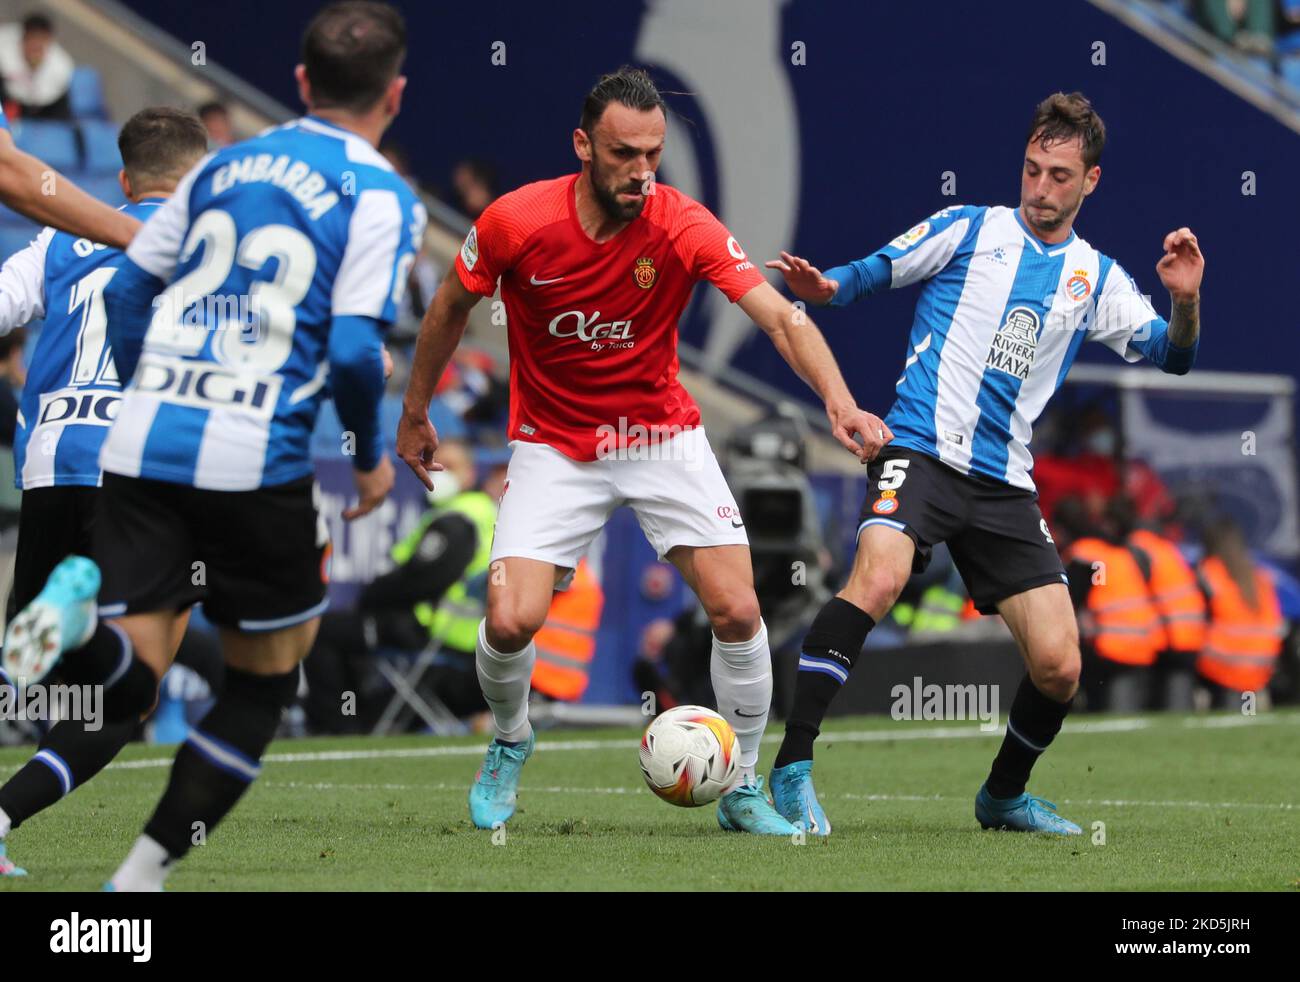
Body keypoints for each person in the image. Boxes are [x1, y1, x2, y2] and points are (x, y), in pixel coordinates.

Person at [397, 65, 886, 836]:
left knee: (738, 606)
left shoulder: (683, 224)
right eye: (625, 153)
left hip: (660, 437)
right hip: (555, 445)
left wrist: (839, 398)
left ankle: (743, 785)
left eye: (653, 154)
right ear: (583, 145)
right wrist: (416, 409)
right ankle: (509, 739)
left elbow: (782, 319)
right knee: (509, 620)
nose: (642, 172)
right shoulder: (515, 223)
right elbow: (450, 305)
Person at [2, 0, 424, 891]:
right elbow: (349, 346)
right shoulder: (377, 192)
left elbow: (121, 297)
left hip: (116, 452)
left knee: (127, 681)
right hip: (241, 452)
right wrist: (367, 453)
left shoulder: (218, 177)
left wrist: (129, 387)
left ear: (303, 83)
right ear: (396, 94)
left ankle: (74, 629)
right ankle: (137, 881)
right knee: (264, 681)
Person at [765, 91, 1204, 835]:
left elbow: (1174, 356)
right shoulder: (970, 227)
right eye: (1033, 169)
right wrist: (829, 287)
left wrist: (1185, 301)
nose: (1040, 187)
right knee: (877, 577)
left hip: (1005, 483)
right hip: (919, 450)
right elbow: (880, 269)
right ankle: (791, 769)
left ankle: (1001, 797)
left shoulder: (1093, 278)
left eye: (1060, 175)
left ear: (1090, 181)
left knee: (1061, 665)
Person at [0, 108, 209, 879]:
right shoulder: (206, 248)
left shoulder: (55, 237)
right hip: (142, 471)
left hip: (54, 459)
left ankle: (61, 621)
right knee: (124, 695)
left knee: (38, 677)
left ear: (124, 181)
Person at [1195, 520, 1285, 708]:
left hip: (1222, 661)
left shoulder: (1210, 571)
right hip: (1260, 661)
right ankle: (1248, 713)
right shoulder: (1259, 576)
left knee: (1226, 700)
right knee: (1247, 704)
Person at [0, 14, 74, 120]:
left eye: (40, 45)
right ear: (23, 39)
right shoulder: (3, 50)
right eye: (32, 41)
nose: (35, 50)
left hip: (37, 110)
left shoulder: (61, 69)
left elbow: (43, 102)